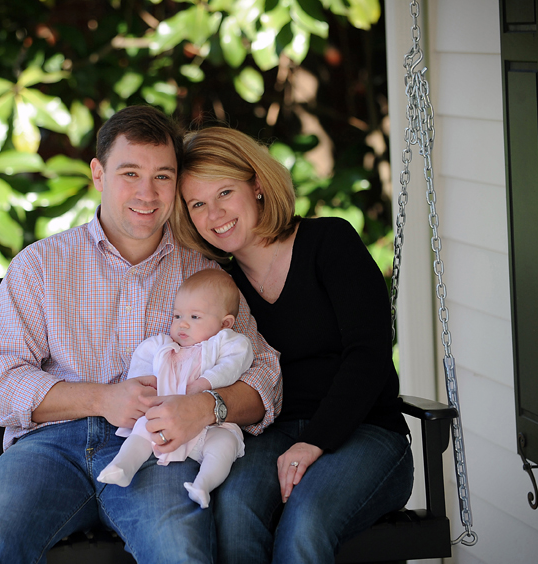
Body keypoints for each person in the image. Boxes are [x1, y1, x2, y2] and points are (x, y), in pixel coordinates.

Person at [0, 108, 281, 564]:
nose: (146, 194)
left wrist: (207, 405)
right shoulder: (40, 265)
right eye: (129, 173)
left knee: (181, 552)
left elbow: (266, 372)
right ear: (98, 173)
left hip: (157, 450)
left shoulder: (204, 275)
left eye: (163, 177)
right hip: (50, 449)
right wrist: (101, 399)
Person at [173, 126, 414, 563]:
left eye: (225, 192)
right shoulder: (221, 291)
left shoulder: (330, 242)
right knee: (234, 512)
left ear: (258, 185)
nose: (215, 213)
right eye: (198, 204)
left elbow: (370, 354)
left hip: (366, 434)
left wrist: (314, 441)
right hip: (271, 437)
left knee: (306, 522)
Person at [98, 269, 253, 509]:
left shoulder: (227, 343)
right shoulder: (163, 346)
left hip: (211, 424)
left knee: (225, 445)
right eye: (177, 315)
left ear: (225, 324)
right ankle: (123, 466)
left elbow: (234, 363)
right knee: (142, 427)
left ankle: (203, 484)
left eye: (194, 317)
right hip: (164, 418)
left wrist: (205, 383)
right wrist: (144, 383)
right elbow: (142, 360)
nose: (182, 323)